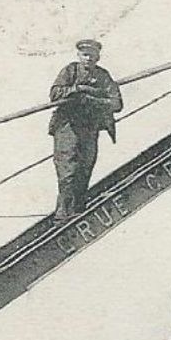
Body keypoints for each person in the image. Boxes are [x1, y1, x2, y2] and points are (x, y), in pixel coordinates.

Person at [47, 38, 123, 221]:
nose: (88, 58)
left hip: (90, 127)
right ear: (79, 55)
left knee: (85, 167)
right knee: (67, 169)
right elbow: (55, 94)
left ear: (98, 57)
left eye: (92, 55)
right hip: (67, 127)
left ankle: (78, 209)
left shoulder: (103, 76)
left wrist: (92, 99)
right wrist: (76, 89)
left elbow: (116, 103)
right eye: (85, 54)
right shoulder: (70, 71)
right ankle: (64, 212)